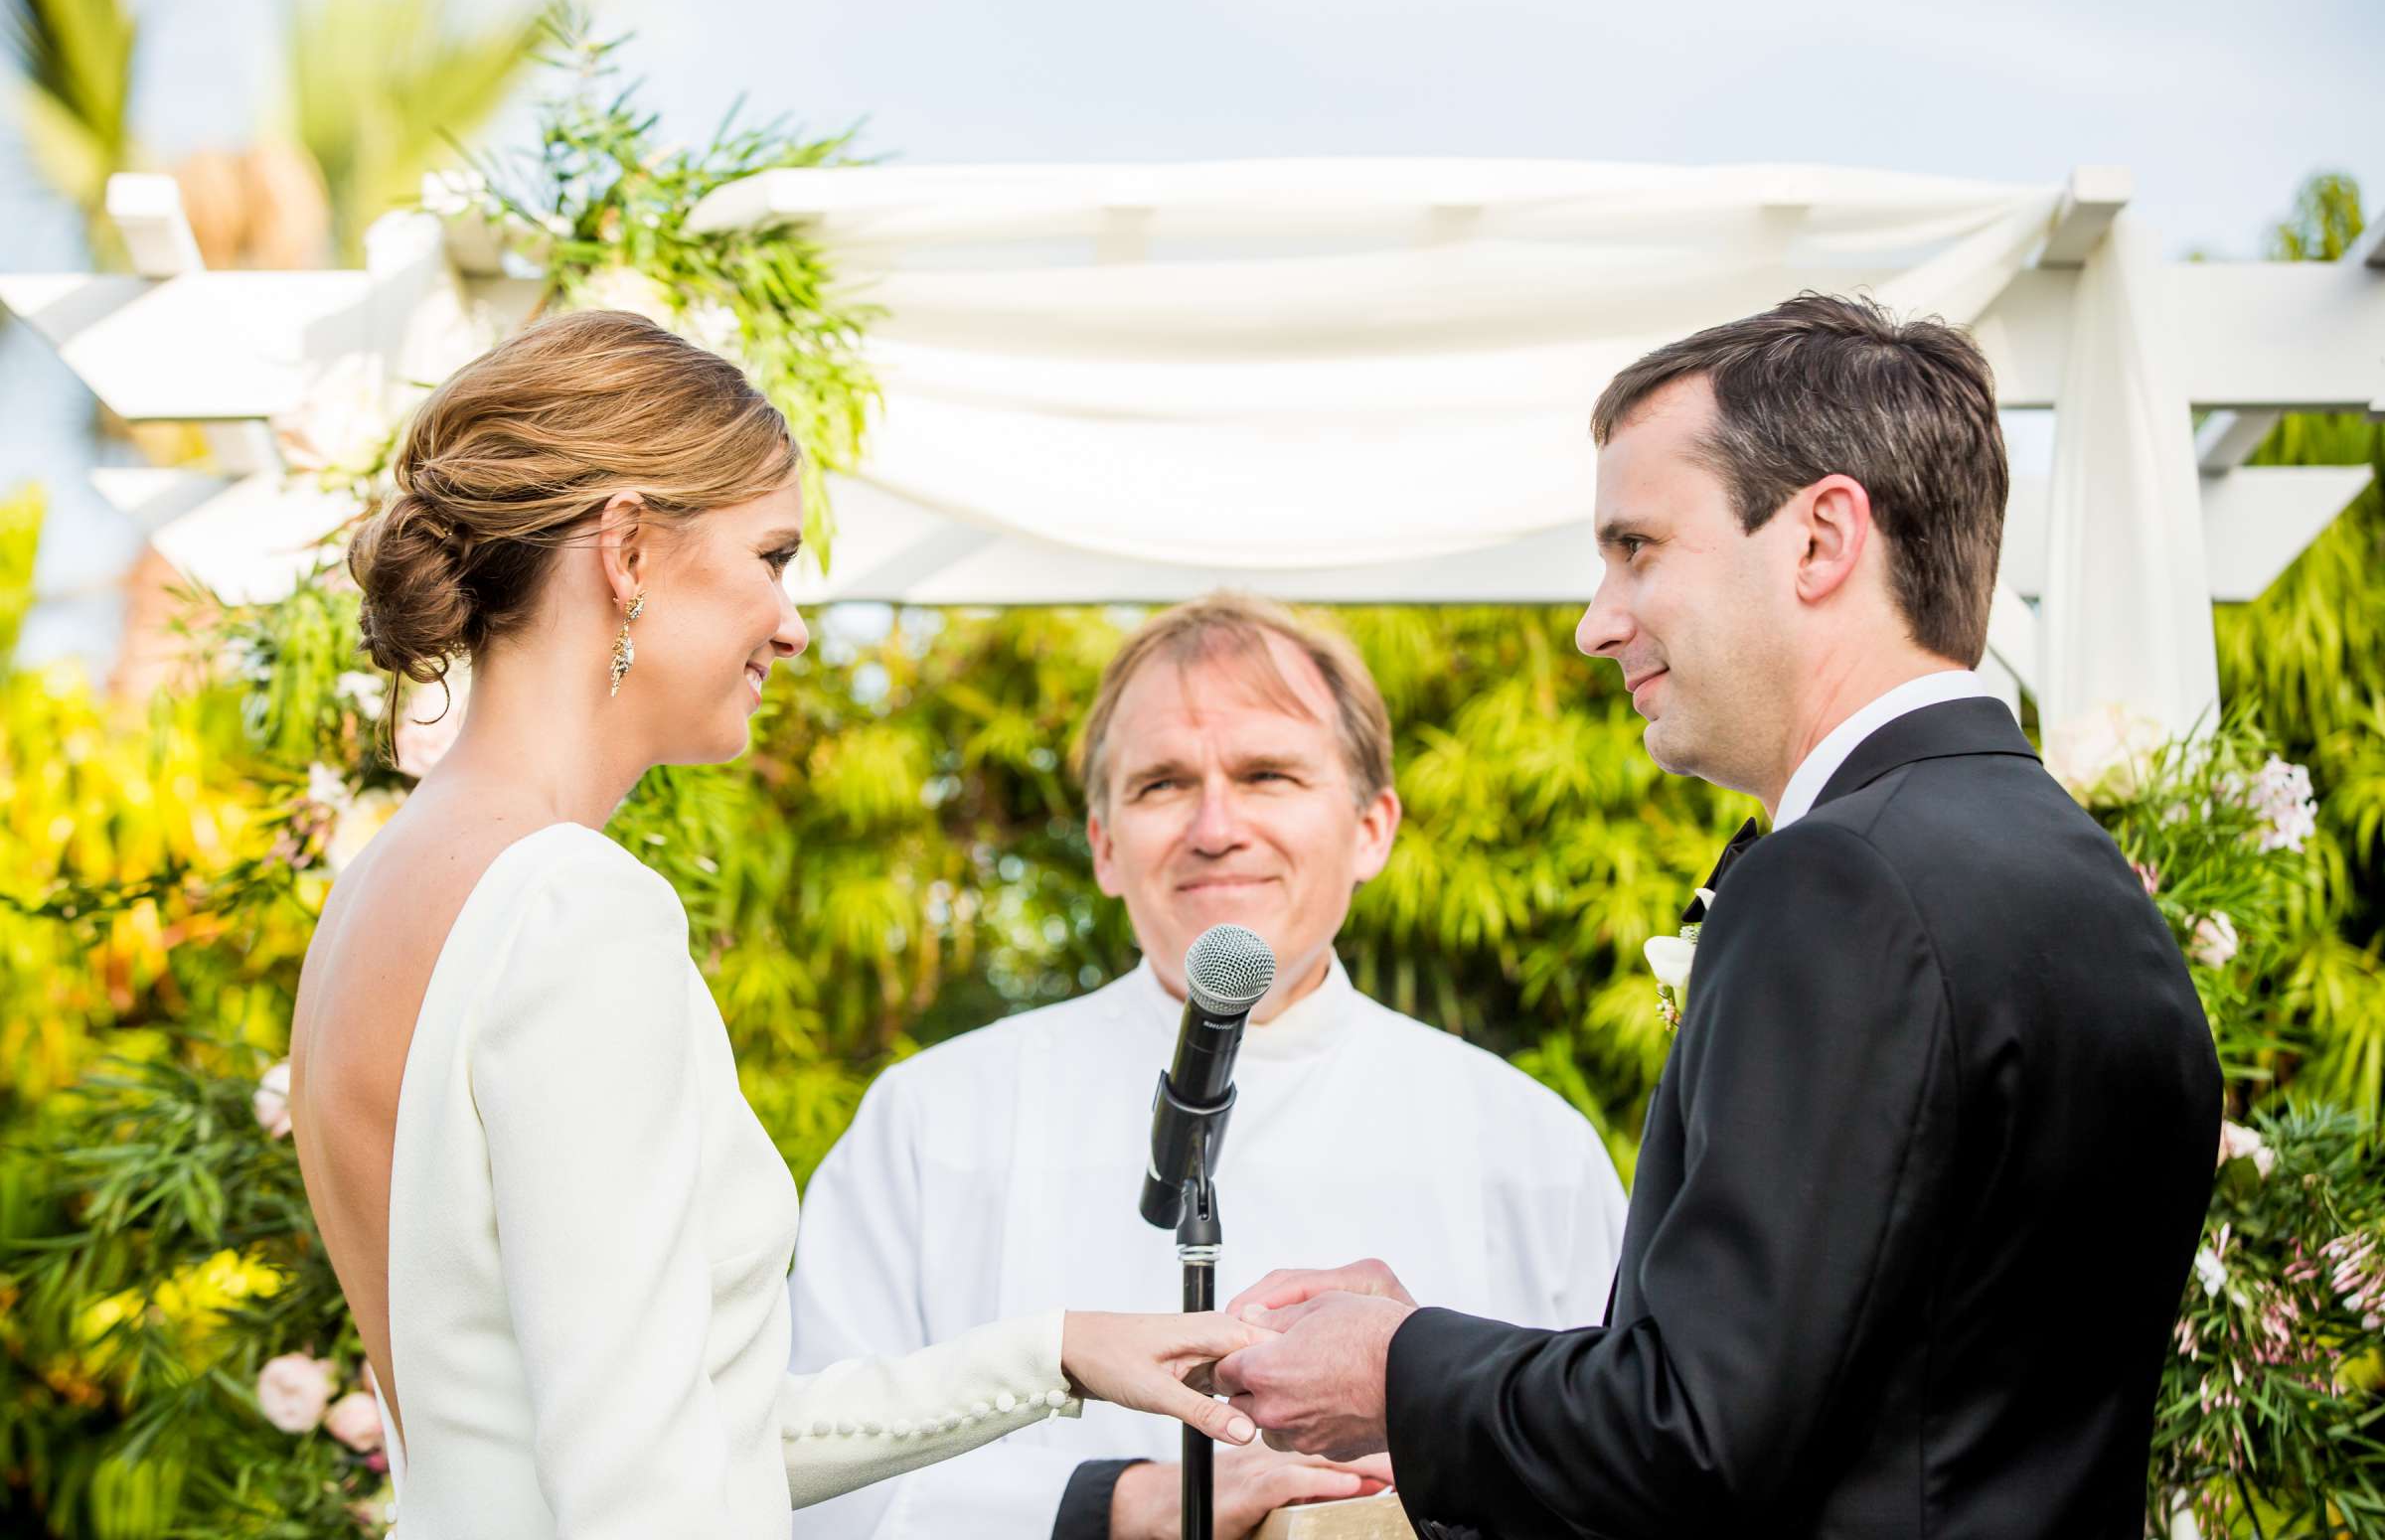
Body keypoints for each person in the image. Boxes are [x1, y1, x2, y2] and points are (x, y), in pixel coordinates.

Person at [1213, 293, 2222, 1539]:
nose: (1596, 622)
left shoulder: (1839, 881)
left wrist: (1398, 1368)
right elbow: (1859, 1394)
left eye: (1637, 546)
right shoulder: (2087, 885)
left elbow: (1692, 1444)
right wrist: (1436, 1345)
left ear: (1819, 539)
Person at [286, 311, 1265, 1540]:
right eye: (772, 556)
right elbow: (643, 1498)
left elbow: (678, 1433)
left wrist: (1051, 1354)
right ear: (629, 548)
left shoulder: (379, 891)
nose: (794, 624)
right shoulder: (573, 905)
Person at [788, 593, 1629, 1540]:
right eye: (1161, 785)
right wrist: (1128, 1504)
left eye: (1268, 774)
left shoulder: (1529, 1141)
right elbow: (809, 1479)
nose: (1216, 826)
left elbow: (1619, 1472)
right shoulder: (932, 1119)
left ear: (1372, 829)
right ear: (1104, 845)